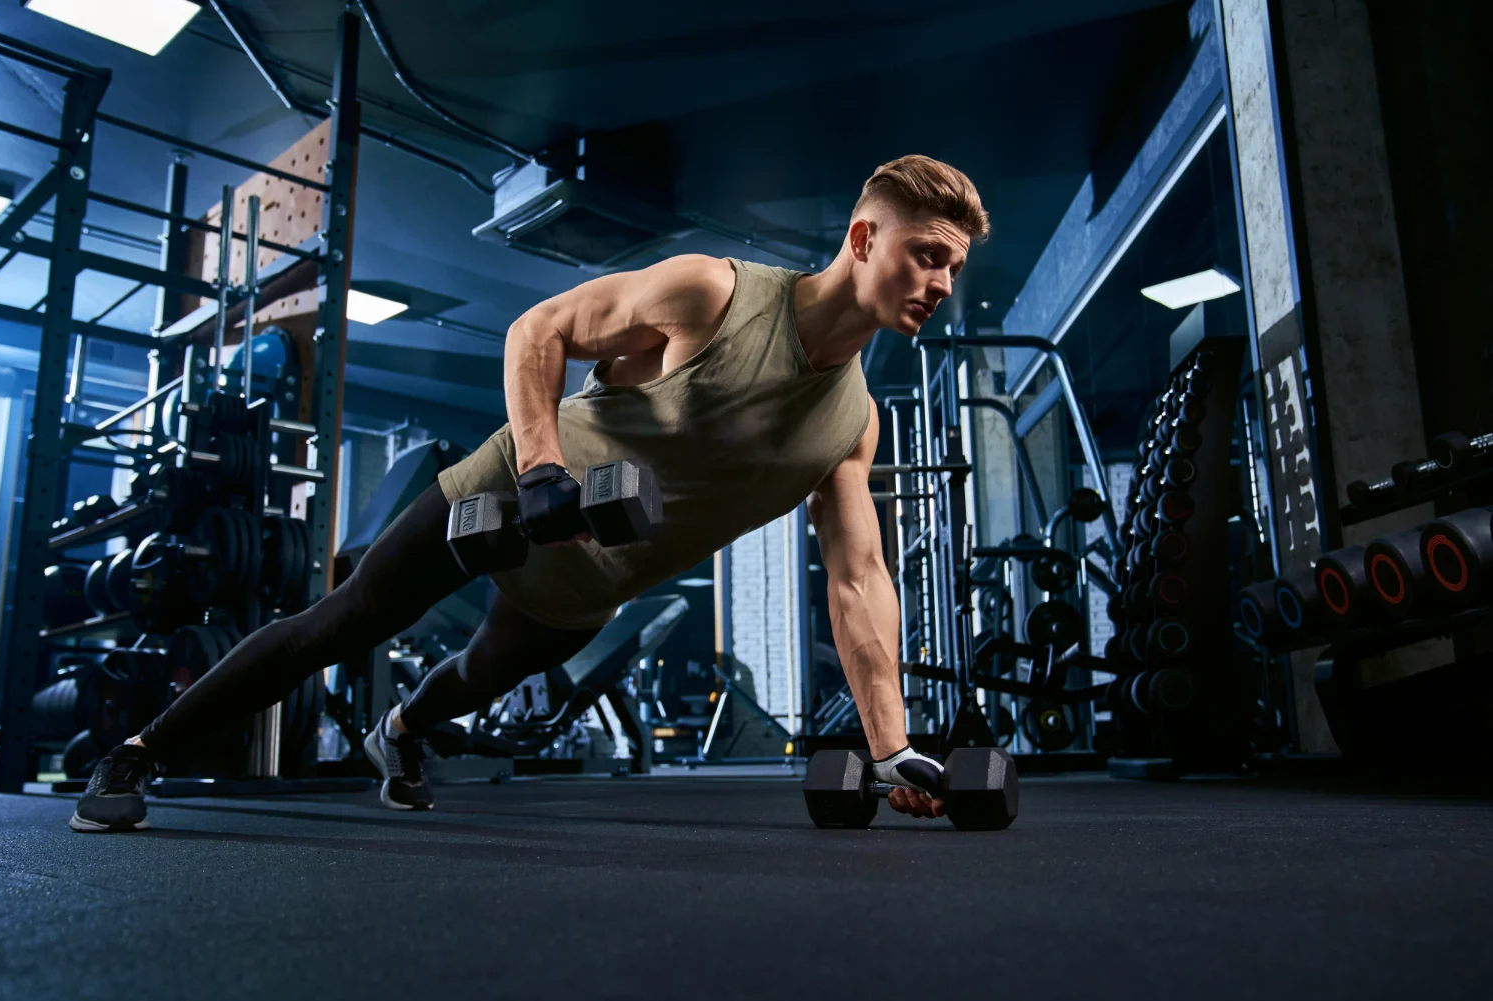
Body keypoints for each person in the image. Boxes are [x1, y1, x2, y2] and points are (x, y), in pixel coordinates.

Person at [69, 154, 988, 832]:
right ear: (864, 238)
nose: (942, 283)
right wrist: (544, 465)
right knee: (340, 624)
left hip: (596, 577)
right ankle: (138, 752)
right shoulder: (713, 292)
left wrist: (888, 743)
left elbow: (860, 581)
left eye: (953, 268)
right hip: (510, 494)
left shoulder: (853, 424)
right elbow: (538, 330)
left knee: (474, 677)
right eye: (928, 255)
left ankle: (401, 727)